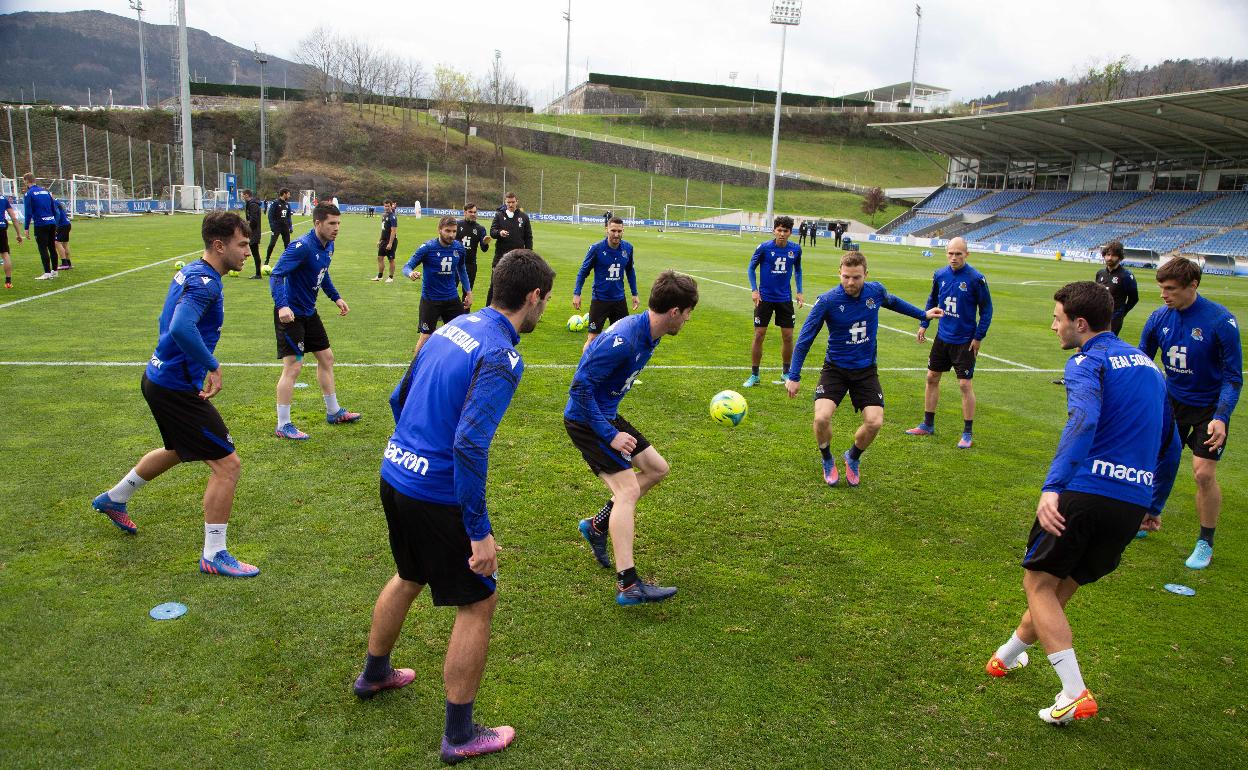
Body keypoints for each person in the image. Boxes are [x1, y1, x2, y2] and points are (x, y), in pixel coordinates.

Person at [353, 249, 554, 765]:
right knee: (478, 600)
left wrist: (412, 450)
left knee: (409, 574)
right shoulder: (502, 355)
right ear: (533, 297)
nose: (544, 309)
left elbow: (398, 397)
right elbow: (468, 443)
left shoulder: (453, 327)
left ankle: (375, 674)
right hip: (435, 494)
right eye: (545, 301)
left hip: (395, 474)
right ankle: (460, 734)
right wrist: (478, 530)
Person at [984, 281, 1179, 725]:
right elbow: (1170, 446)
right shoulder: (1150, 368)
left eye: (1058, 319)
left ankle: (1074, 693)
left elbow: (1084, 419)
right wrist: (1154, 505)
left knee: (1037, 584)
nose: (1053, 326)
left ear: (1081, 323)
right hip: (1130, 503)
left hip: (1086, 492)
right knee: (1057, 587)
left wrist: (1053, 485)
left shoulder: (1086, 361)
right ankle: (1006, 656)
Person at [90, 211, 261, 577]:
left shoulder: (192, 272)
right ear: (219, 245)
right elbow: (181, 326)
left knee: (179, 450)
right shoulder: (206, 283)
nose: (248, 251)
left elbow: (164, 322)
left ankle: (115, 498)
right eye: (243, 244)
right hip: (175, 388)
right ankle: (214, 553)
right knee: (228, 465)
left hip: (159, 378)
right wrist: (211, 364)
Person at [566, 270, 699, 604]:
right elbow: (579, 389)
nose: (687, 319)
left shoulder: (651, 332)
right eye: (687, 313)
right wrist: (610, 435)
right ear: (674, 312)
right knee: (627, 491)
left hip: (606, 415)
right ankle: (628, 585)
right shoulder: (625, 339)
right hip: (586, 420)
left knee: (656, 469)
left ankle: (597, 526)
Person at [785, 252, 941, 487]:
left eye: (856, 277)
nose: (850, 282)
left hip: (866, 370)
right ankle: (827, 459)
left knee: (874, 422)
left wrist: (923, 314)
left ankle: (853, 457)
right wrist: (794, 375)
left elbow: (893, 302)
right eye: (846, 277)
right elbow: (805, 338)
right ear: (839, 273)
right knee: (821, 418)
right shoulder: (827, 301)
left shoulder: (875, 292)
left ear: (866, 274)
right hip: (835, 369)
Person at [1139, 257, 1242, 568]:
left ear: (1193, 285)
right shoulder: (1158, 318)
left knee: (1203, 473)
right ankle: (1148, 515)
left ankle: (1205, 542)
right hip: (1171, 402)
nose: (1163, 295)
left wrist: (1221, 416)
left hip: (1209, 408)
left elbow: (1233, 377)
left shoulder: (1220, 321)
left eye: (1171, 289)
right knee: (1157, 461)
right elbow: (1143, 360)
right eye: (1162, 288)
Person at [270, 202, 361, 440]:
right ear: (318, 223)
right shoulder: (301, 246)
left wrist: (336, 297)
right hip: (291, 315)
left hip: (309, 312)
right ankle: (283, 424)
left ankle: (334, 412)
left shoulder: (328, 245)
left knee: (326, 358)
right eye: (332, 223)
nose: (336, 228)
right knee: (294, 366)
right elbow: (276, 275)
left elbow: (323, 273)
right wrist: (282, 306)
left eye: (338, 223)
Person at [905, 237, 993, 448]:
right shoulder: (940, 274)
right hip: (943, 337)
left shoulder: (976, 279)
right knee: (932, 377)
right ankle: (927, 424)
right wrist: (924, 323)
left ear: (967, 254)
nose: (954, 258)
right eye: (950, 253)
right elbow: (932, 300)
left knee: (964, 384)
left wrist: (978, 337)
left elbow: (987, 309)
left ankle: (967, 433)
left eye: (958, 254)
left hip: (965, 341)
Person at [1053, 241, 1140, 386]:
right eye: (1107, 254)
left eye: (1113, 255)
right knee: (1082, 343)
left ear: (1120, 257)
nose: (1109, 258)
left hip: (1113, 318)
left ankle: (1098, 377)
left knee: (1101, 347)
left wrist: (1122, 312)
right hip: (1095, 315)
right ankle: (1073, 375)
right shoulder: (1100, 273)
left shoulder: (1126, 276)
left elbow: (1134, 298)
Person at [744, 216, 804, 387]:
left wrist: (799, 291)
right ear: (774, 231)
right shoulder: (764, 248)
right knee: (759, 335)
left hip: (784, 298)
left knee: (788, 336)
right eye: (779, 230)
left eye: (785, 231)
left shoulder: (796, 249)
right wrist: (754, 290)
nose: (782, 234)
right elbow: (751, 268)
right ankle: (754, 375)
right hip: (764, 298)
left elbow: (798, 270)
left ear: (790, 232)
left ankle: (786, 373)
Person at [404, 215, 472, 357]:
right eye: (448, 231)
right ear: (439, 230)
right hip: (430, 300)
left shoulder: (459, 248)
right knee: (426, 336)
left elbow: (462, 270)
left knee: (459, 335)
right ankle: (414, 367)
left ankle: (450, 364)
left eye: (454, 231)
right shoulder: (427, 248)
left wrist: (468, 292)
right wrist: (411, 274)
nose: (451, 235)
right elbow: (407, 266)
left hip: (452, 299)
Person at [572, 216, 639, 352]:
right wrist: (577, 293)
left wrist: (634, 293)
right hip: (600, 300)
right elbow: (583, 272)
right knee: (593, 338)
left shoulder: (628, 248)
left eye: (619, 231)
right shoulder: (596, 249)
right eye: (613, 230)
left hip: (619, 300)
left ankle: (616, 364)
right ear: (606, 230)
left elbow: (630, 271)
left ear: (623, 231)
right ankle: (585, 364)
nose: (616, 234)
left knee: (623, 337)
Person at [486, 192, 533, 306]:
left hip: (518, 258)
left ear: (517, 202)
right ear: (505, 202)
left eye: (513, 202)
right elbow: (492, 232)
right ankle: (488, 308)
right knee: (495, 285)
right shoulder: (499, 215)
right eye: (508, 202)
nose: (511, 204)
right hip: (500, 257)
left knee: (516, 286)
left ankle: (513, 310)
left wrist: (529, 254)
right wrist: (499, 232)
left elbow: (528, 237)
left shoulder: (523, 217)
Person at [22, 173, 58, 280]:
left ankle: (47, 272)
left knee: (42, 248)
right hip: (51, 222)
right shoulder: (46, 191)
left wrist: (26, 227)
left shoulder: (29, 194)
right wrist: (54, 222)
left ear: (26, 181)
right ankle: (55, 271)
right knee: (52, 247)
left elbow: (28, 212)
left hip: (41, 223)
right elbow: (54, 208)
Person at [456, 203, 492, 297]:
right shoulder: (457, 225)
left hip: (470, 265)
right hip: (455, 263)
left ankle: (465, 307)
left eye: (475, 212)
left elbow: (484, 249)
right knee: (450, 291)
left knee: (467, 295)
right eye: (470, 212)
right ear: (465, 212)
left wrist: (485, 243)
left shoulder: (480, 229)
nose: (473, 214)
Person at [0, 192, 22, 288]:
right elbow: (13, 218)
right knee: (5, 254)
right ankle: (8, 282)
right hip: (1, 228)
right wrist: (18, 234)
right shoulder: (3, 199)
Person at [265, 188, 293, 264]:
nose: (289, 196)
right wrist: (272, 226)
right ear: (284, 194)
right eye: (288, 194)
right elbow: (270, 215)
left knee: (287, 245)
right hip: (276, 227)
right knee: (272, 244)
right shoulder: (275, 203)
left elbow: (288, 217)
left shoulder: (287, 204)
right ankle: (267, 260)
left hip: (285, 227)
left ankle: (287, 261)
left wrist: (290, 227)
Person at [373, 200, 398, 283]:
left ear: (391, 206)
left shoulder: (393, 217)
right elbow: (383, 230)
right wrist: (380, 240)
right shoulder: (384, 215)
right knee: (380, 258)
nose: (386, 207)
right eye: (385, 206)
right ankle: (379, 276)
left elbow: (393, 231)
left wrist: (390, 243)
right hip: (383, 241)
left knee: (391, 259)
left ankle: (390, 277)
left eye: (388, 206)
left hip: (391, 241)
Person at [242, 189, 264, 278]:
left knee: (255, 252)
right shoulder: (250, 204)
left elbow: (254, 220)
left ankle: (258, 274)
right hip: (252, 232)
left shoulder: (253, 205)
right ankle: (258, 274)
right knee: (249, 250)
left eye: (242, 195)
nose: (242, 197)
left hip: (253, 232)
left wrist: (248, 227)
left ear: (247, 195)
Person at [52, 197, 73, 270]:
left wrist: (55, 226)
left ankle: (64, 263)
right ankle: (68, 263)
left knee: (57, 242)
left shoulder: (54, 203)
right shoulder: (58, 202)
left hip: (62, 225)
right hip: (67, 224)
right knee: (65, 244)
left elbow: (57, 213)